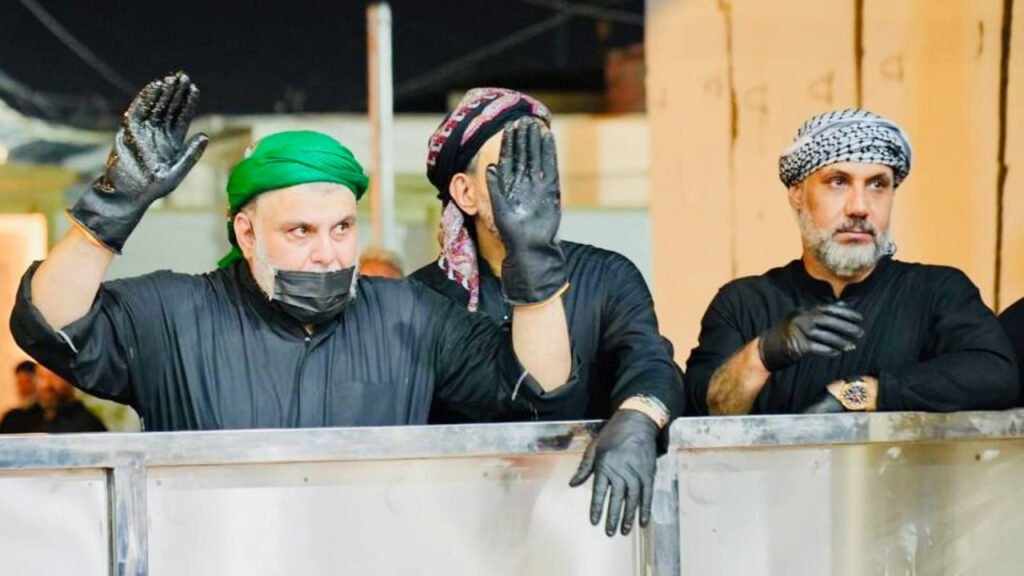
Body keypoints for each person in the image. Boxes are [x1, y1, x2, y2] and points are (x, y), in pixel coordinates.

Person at [10, 73, 575, 433]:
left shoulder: (411, 316)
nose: (328, 254)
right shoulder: (174, 314)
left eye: (342, 228)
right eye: (301, 231)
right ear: (247, 233)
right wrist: (111, 209)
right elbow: (49, 325)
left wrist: (531, 257)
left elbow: (537, 394)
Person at [410, 88, 682, 536]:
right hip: (460, 534)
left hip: (589, 525)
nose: (537, 181)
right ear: (466, 193)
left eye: (543, 161)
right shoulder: (421, 299)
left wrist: (639, 418)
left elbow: (650, 361)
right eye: (513, 164)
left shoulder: (608, 275)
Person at [685, 109, 1018, 415]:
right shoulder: (743, 303)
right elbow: (707, 411)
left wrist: (859, 393)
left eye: (877, 185)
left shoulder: (937, 291)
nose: (859, 207)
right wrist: (764, 352)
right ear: (797, 193)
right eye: (838, 182)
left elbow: (996, 374)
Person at [0, 366, 106, 434]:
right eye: (41, 376)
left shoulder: (87, 425)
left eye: (54, 376)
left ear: (70, 380)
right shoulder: (17, 419)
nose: (46, 384)